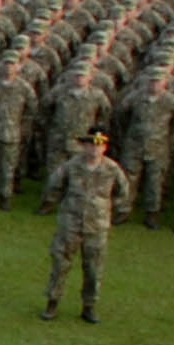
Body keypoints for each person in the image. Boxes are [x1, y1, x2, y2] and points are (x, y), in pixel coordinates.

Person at [41, 131, 126, 323]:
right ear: (84, 146)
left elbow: (123, 192)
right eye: (90, 144)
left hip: (96, 227)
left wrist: (107, 210)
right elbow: (54, 186)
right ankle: (52, 302)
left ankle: (89, 306)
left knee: (93, 268)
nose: (94, 149)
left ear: (104, 147)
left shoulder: (112, 169)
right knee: (60, 264)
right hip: (70, 224)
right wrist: (61, 206)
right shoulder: (72, 166)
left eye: (98, 145)